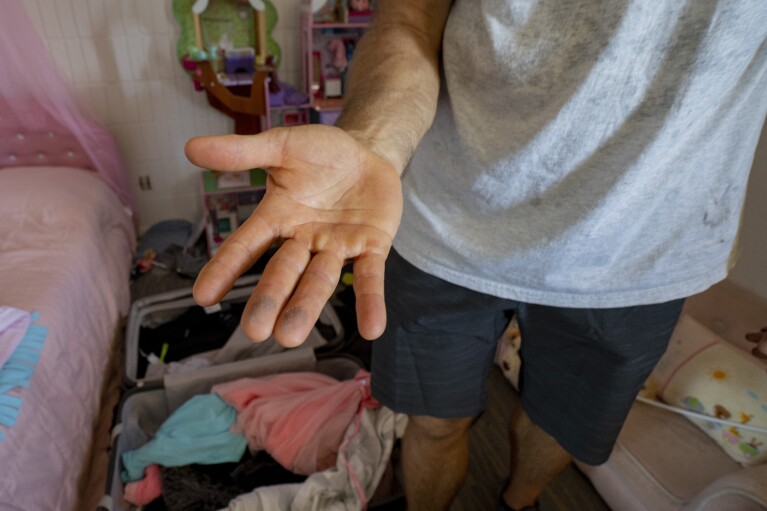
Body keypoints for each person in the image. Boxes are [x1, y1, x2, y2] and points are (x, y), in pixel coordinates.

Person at [185, 1, 767, 510]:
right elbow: (412, 19)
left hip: (643, 248)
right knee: (434, 423)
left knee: (558, 425)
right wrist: (373, 143)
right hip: (443, 225)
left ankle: (519, 501)